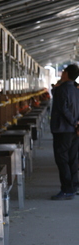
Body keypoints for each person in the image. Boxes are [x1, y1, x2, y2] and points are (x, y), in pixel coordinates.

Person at [50, 64, 79, 200]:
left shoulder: (62, 90)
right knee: (73, 158)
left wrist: (73, 121)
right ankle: (74, 186)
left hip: (63, 129)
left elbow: (63, 109)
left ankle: (67, 189)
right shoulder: (76, 90)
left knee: (62, 159)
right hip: (74, 130)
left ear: (66, 73)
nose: (61, 73)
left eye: (63, 71)